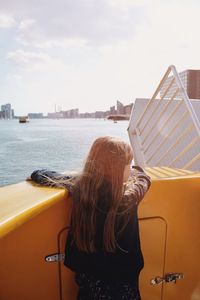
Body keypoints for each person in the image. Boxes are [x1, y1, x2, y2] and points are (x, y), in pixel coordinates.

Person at [27, 136, 151, 300]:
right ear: (120, 168)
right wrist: (138, 171)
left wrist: (37, 173)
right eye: (129, 164)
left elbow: (46, 175)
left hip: (90, 288)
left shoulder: (81, 189)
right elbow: (144, 179)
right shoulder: (129, 197)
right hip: (123, 290)